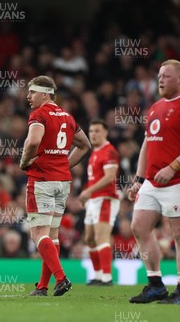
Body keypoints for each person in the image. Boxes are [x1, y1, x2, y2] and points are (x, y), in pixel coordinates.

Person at [127, 59, 180, 304]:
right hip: (153, 180)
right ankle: (155, 285)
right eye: (159, 75)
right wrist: (139, 179)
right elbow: (146, 146)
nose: (160, 80)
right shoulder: (155, 107)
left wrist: (172, 168)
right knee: (139, 226)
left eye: (166, 76)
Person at [20, 75, 91, 296]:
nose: (28, 96)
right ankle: (42, 287)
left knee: (38, 234)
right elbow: (85, 144)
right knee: (52, 235)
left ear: (45, 94)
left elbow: (33, 141)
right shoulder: (67, 117)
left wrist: (24, 161)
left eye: (32, 92)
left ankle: (61, 278)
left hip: (42, 180)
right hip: (62, 182)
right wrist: (63, 165)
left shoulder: (39, 115)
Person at [77, 120, 120, 286]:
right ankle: (97, 275)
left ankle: (107, 278)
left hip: (106, 199)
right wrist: (88, 194)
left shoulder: (109, 152)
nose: (93, 134)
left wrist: (88, 190)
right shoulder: (95, 152)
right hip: (94, 200)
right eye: (91, 131)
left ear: (105, 133)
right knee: (89, 238)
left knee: (101, 237)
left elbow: (110, 177)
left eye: (97, 131)